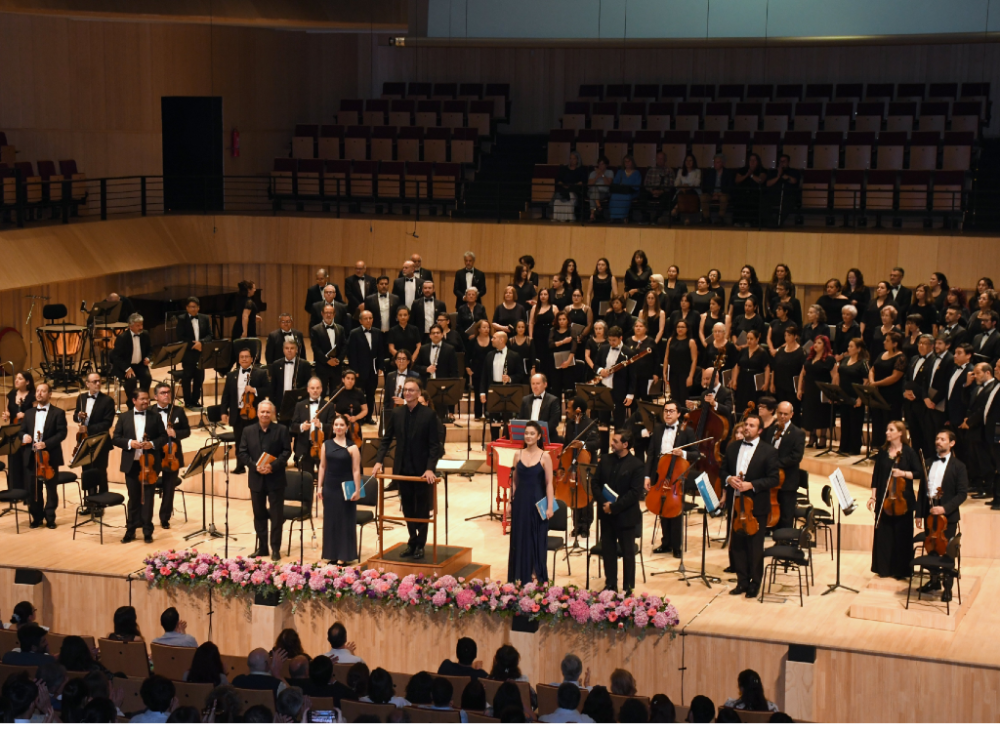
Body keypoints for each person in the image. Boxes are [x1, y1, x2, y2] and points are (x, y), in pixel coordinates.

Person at [372, 377, 441, 559]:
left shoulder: (429, 415)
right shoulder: (397, 413)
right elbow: (386, 439)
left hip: (422, 470)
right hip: (402, 468)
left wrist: (430, 468)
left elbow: (435, 446)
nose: (408, 393)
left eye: (412, 390)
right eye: (406, 390)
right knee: (408, 507)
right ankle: (412, 540)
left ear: (419, 394)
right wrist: (379, 460)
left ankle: (421, 544)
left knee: (422, 508)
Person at [721, 413, 781, 598]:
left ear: (760, 430)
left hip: (756, 506)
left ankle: (755, 583)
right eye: (746, 424)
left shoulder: (768, 451)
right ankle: (742, 581)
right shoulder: (732, 447)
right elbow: (722, 469)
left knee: (755, 546)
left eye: (752, 425)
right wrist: (729, 478)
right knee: (737, 544)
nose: (747, 428)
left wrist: (752, 485)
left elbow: (774, 479)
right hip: (736, 503)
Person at [916, 430, 968, 602]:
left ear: (951, 443)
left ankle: (948, 588)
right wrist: (919, 513)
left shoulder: (959, 466)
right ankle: (934, 581)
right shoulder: (928, 463)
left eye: (942, 439)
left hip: (948, 518)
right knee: (931, 549)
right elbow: (923, 490)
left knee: (947, 552)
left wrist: (944, 509)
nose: (938, 441)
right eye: (937, 438)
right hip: (930, 516)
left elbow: (962, 494)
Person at [110, 388, 167, 544]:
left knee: (148, 499)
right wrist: (129, 443)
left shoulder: (155, 417)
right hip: (132, 464)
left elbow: (163, 437)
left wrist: (153, 444)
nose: (145, 402)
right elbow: (115, 438)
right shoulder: (124, 417)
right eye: (142, 399)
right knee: (134, 498)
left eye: (147, 399)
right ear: (134, 401)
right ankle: (131, 530)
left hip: (150, 464)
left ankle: (147, 531)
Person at [237, 400, 292, 561]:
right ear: (258, 412)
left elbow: (287, 451)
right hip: (256, 479)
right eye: (262, 412)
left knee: (276, 515)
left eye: (268, 412)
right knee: (259, 514)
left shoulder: (281, 430)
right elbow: (242, 452)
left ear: (272, 414)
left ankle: (275, 548)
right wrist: (255, 467)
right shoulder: (248, 430)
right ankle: (262, 548)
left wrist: (272, 466)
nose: (265, 414)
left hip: (275, 479)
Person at [645, 401, 700, 558]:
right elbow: (651, 453)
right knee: (662, 508)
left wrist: (682, 454)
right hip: (660, 474)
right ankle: (666, 543)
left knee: (674, 510)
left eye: (671, 411)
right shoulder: (657, 429)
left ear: (678, 414)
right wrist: (647, 475)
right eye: (665, 411)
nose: (668, 414)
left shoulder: (687, 431)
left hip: (677, 476)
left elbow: (696, 454)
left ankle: (676, 545)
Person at [867, 421, 920, 580]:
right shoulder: (883, 452)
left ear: (900, 433)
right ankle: (883, 568)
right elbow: (876, 476)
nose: (887, 433)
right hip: (885, 499)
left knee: (901, 535)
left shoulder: (909, 452)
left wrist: (903, 474)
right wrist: (873, 496)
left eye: (891, 430)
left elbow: (919, 473)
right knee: (883, 534)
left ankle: (901, 570)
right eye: (887, 429)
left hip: (903, 500)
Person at [594, 430, 644, 593]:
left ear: (625, 444)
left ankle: (628, 586)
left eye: (615, 441)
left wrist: (614, 507)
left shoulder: (636, 465)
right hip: (606, 514)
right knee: (608, 551)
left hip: (625, 516)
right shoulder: (605, 460)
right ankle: (611, 584)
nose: (611, 444)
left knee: (628, 553)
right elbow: (595, 484)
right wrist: (604, 504)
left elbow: (634, 493)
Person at [507, 421, 555, 583]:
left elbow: (549, 483)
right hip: (520, 502)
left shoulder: (545, 456)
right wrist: (509, 502)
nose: (528, 436)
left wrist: (549, 506)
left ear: (539, 436)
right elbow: (514, 482)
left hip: (537, 503)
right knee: (520, 539)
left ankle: (536, 577)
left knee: (536, 540)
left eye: (532, 433)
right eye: (526, 433)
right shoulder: (517, 455)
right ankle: (520, 577)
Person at [317, 415, 363, 565]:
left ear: (347, 427)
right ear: (333, 427)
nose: (338, 427)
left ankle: (344, 555)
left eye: (341, 425)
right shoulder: (326, 444)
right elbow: (322, 467)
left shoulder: (353, 447)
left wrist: (357, 489)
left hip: (346, 487)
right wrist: (319, 487)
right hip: (330, 487)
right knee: (331, 521)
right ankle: (331, 554)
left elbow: (356, 470)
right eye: (336, 424)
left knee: (345, 521)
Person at [219, 346, 270, 474]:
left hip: (254, 413)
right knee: (239, 441)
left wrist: (254, 390)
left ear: (252, 359)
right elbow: (226, 395)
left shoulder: (260, 373)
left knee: (257, 442)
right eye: (242, 357)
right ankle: (240, 466)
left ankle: (257, 466)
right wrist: (224, 412)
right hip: (238, 413)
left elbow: (269, 390)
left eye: (247, 357)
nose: (244, 359)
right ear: (238, 359)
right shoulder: (232, 375)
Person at [73, 372, 115, 507]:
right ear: (87, 384)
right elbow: (75, 416)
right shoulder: (81, 398)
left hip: (101, 441)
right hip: (84, 441)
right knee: (87, 472)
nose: (98, 384)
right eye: (94, 381)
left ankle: (102, 502)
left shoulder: (107, 401)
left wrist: (88, 429)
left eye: (99, 381)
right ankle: (90, 502)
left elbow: (107, 424)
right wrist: (79, 417)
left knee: (100, 471)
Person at [769, 402, 805, 529]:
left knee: (786, 514)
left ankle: (785, 542)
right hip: (772, 479)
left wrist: (774, 464)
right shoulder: (772, 429)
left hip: (788, 480)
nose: (782, 416)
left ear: (791, 415)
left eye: (785, 414)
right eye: (780, 413)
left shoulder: (798, 433)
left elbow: (796, 457)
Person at [344, 310, 383, 424]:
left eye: (370, 318)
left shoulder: (377, 332)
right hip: (359, 371)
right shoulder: (354, 333)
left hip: (373, 370)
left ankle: (369, 417)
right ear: (360, 321)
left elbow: (380, 351)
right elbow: (352, 353)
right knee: (359, 396)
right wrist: (354, 370)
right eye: (365, 318)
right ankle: (359, 418)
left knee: (371, 395)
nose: (368, 320)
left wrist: (380, 366)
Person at [797, 336, 835, 449]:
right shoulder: (810, 357)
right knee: (810, 412)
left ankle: (823, 438)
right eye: (815, 342)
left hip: (822, 390)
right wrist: (799, 389)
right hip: (810, 389)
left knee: (822, 413)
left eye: (819, 343)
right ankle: (812, 436)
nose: (816, 345)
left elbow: (835, 376)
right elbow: (802, 373)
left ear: (825, 345)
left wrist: (832, 392)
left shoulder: (829, 359)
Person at [595, 326, 636, 429]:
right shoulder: (603, 348)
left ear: (620, 338)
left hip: (619, 391)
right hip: (604, 389)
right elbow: (595, 365)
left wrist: (630, 394)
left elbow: (633, 376)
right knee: (603, 421)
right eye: (610, 340)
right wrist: (600, 370)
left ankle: (618, 444)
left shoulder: (628, 353)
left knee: (619, 421)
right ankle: (603, 445)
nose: (611, 342)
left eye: (614, 340)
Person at [834, 338, 870, 454]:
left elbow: (866, 381)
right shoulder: (845, 360)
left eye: (851, 346)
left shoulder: (862, 363)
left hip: (856, 397)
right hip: (844, 395)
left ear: (858, 349)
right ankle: (843, 447)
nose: (848, 349)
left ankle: (854, 448)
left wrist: (861, 398)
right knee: (845, 422)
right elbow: (839, 375)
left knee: (855, 423)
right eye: (848, 346)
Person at [175, 296, 212, 407]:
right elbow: (180, 336)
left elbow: (210, 335)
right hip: (188, 353)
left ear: (199, 307)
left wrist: (201, 343)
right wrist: (194, 345)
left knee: (199, 378)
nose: (193, 309)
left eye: (195, 307)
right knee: (187, 377)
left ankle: (195, 400)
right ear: (187, 308)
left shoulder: (204, 318)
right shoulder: (182, 319)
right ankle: (188, 401)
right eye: (191, 307)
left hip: (201, 352)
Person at [110, 313, 152, 402]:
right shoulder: (122, 337)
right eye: (138, 325)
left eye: (141, 325)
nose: (141, 327)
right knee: (131, 381)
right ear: (130, 326)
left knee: (147, 378)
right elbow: (116, 356)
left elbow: (150, 349)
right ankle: (132, 403)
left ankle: (143, 399)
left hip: (140, 365)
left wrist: (148, 358)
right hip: (125, 366)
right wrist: (127, 368)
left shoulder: (145, 334)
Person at [730, 330, 771, 415]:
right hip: (743, 378)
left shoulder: (762, 352)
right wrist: (734, 380)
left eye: (751, 339)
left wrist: (766, 383)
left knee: (753, 401)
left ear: (757, 339)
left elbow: (767, 368)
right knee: (741, 401)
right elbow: (737, 366)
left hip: (754, 381)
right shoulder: (743, 351)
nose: (749, 341)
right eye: (747, 338)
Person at [310, 303, 347, 396]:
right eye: (326, 312)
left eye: (331, 313)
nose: (328, 315)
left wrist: (338, 359)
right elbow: (315, 348)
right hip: (322, 367)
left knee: (335, 394)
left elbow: (344, 346)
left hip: (336, 366)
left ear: (334, 314)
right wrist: (327, 361)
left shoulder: (340, 328)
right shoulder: (315, 329)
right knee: (321, 394)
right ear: (322, 313)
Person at [267, 338, 311, 411]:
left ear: (296, 350)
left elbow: (308, 384)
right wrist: (272, 404)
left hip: (298, 403)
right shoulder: (276, 364)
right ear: (283, 350)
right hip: (280, 403)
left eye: (292, 348)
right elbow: (273, 386)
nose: (289, 351)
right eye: (287, 348)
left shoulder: (304, 365)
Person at [664, 319, 698, 405]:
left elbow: (694, 360)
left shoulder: (691, 342)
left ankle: (684, 416)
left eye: (683, 327)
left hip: (685, 374)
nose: (680, 329)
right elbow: (666, 357)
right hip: (672, 373)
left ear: (687, 329)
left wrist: (691, 376)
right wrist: (664, 372)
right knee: (674, 397)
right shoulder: (671, 340)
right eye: (678, 327)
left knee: (683, 397)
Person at [518, 374, 561, 441]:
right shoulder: (525, 400)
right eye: (533, 384)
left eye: (538, 383)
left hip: (547, 438)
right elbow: (521, 419)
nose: (535, 386)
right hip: (528, 438)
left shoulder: (553, 400)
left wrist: (538, 436)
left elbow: (553, 422)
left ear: (545, 384)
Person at [466, 321, 493, 420]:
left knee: (488, 391)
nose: (487, 329)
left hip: (490, 370)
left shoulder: (492, 340)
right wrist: (467, 367)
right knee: (477, 391)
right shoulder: (473, 341)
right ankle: (477, 414)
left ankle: (488, 413)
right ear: (479, 329)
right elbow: (467, 356)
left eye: (488, 327)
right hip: (476, 369)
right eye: (484, 327)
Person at [765, 154, 801, 225]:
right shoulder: (773, 172)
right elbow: (768, 184)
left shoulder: (794, 172)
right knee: (763, 200)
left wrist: (783, 175)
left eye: (784, 161)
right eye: (780, 161)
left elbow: (794, 181)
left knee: (788, 203)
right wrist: (778, 176)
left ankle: (777, 223)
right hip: (774, 195)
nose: (782, 163)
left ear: (788, 162)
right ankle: (768, 222)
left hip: (788, 196)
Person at [700, 153, 735, 224]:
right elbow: (706, 185)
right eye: (714, 162)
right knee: (703, 197)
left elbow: (730, 186)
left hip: (723, 193)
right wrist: (712, 193)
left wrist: (720, 193)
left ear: (722, 163)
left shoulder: (728, 173)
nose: (715, 164)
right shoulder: (710, 172)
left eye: (717, 162)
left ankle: (720, 218)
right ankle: (707, 218)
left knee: (723, 198)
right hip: (712, 193)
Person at [608, 154, 640, 222]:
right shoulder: (620, 172)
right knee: (614, 196)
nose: (627, 163)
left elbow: (637, 186)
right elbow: (615, 183)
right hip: (620, 191)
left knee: (626, 197)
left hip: (631, 192)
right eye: (625, 161)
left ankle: (624, 217)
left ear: (632, 162)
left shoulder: (637, 173)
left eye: (629, 161)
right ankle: (613, 217)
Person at [231, 279, 262, 348]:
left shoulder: (240, 299)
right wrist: (245, 332)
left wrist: (254, 316)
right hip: (246, 329)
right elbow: (245, 316)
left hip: (237, 327)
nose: (255, 290)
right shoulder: (249, 302)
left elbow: (242, 313)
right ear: (249, 290)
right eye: (254, 288)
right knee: (248, 350)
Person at [671, 153, 701, 222]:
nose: (688, 162)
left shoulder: (697, 171)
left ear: (694, 162)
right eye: (687, 160)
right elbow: (676, 183)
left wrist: (687, 186)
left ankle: (676, 209)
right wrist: (682, 187)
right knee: (682, 193)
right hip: (681, 190)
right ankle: (686, 218)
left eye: (690, 160)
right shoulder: (680, 171)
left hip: (693, 191)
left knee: (686, 193)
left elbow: (697, 183)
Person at [587, 156, 613, 221]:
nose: (600, 166)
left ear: (606, 165)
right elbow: (589, 185)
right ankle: (598, 205)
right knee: (594, 188)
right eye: (599, 164)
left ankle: (592, 214)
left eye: (602, 164)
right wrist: (596, 177)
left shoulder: (610, 172)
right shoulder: (593, 173)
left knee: (592, 195)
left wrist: (602, 175)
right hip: (592, 191)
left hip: (603, 192)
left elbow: (608, 184)